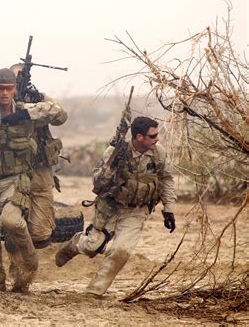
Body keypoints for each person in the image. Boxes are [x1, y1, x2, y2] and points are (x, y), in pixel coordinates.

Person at [0, 68, 67, 293]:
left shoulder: (26, 110)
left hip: (14, 179)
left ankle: (29, 262)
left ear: (15, 89)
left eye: (9, 88)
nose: (4, 93)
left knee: (12, 221)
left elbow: (59, 114)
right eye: (0, 88)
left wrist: (32, 107)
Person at [55, 116, 176, 298]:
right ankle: (75, 244)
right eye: (152, 136)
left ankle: (94, 291)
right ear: (139, 137)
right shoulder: (115, 152)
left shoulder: (158, 154)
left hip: (137, 210)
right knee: (92, 246)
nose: (157, 139)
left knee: (121, 250)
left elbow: (166, 179)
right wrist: (112, 164)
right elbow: (97, 183)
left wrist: (169, 209)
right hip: (110, 206)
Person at [10, 63, 68, 249]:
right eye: (16, 77)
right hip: (12, 166)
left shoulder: (39, 98)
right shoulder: (2, 99)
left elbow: (61, 116)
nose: (19, 81)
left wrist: (36, 101)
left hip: (39, 165)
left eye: (23, 77)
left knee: (40, 232)